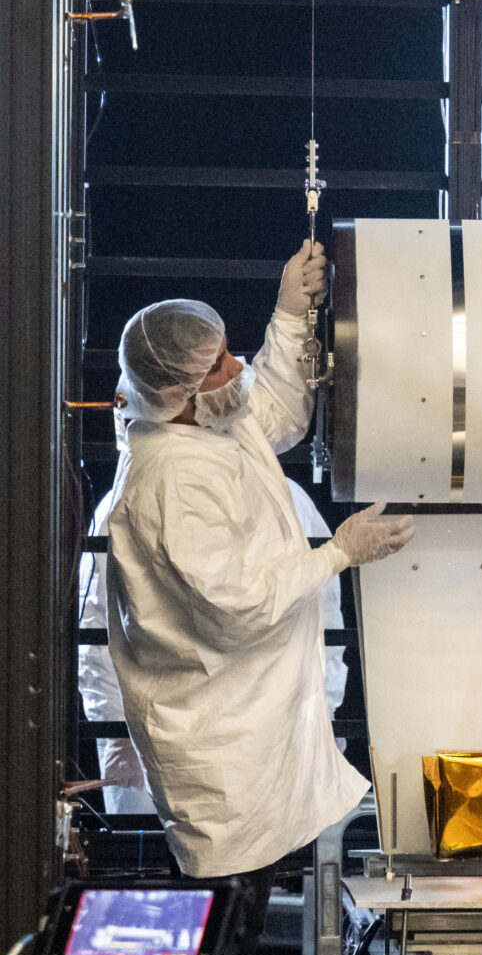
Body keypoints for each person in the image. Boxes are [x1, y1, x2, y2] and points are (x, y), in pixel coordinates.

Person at [100, 242, 415, 880]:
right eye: (219, 365)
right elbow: (238, 605)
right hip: (220, 746)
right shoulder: (168, 481)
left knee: (255, 894)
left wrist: (290, 313)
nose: (236, 368)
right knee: (231, 911)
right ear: (174, 390)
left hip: (252, 722)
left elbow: (266, 411)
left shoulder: (195, 421)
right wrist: (338, 554)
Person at [79, 454, 350, 817]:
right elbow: (98, 627)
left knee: (257, 859)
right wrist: (116, 732)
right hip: (154, 734)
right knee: (148, 862)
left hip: (263, 733)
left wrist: (321, 716)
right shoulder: (126, 500)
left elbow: (322, 623)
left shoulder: (287, 503)